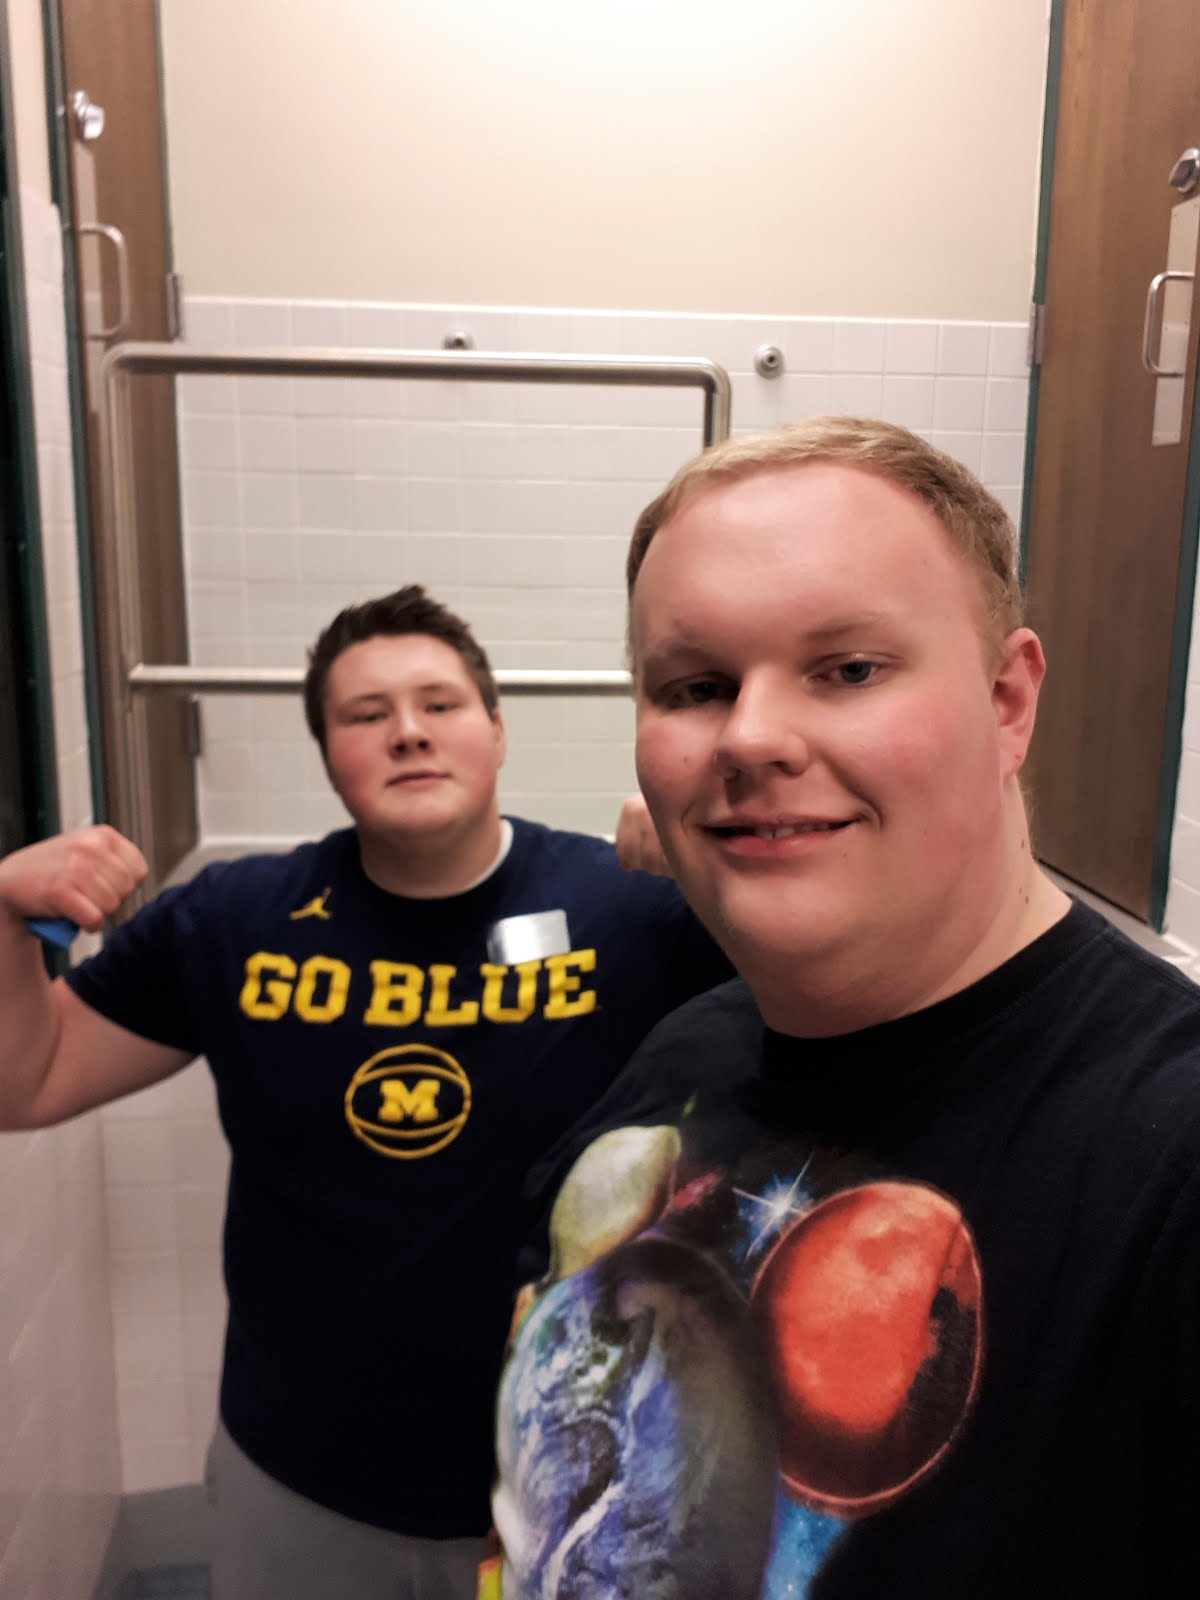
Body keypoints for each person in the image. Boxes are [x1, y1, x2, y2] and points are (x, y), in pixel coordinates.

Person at [492, 418, 1200, 1599]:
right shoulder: (677, 1062)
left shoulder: (1167, 1166)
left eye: (850, 669)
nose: (751, 736)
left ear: (1008, 701)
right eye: (696, 686)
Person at [0, 585, 731, 1600]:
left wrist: (717, 864)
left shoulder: (628, 909)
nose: (408, 733)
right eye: (366, 714)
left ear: (496, 731)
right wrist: (5, 910)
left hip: (569, 1476)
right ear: (328, 752)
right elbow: (27, 1080)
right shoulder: (234, 921)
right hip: (300, 1479)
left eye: (440, 703)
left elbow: (841, 1004)